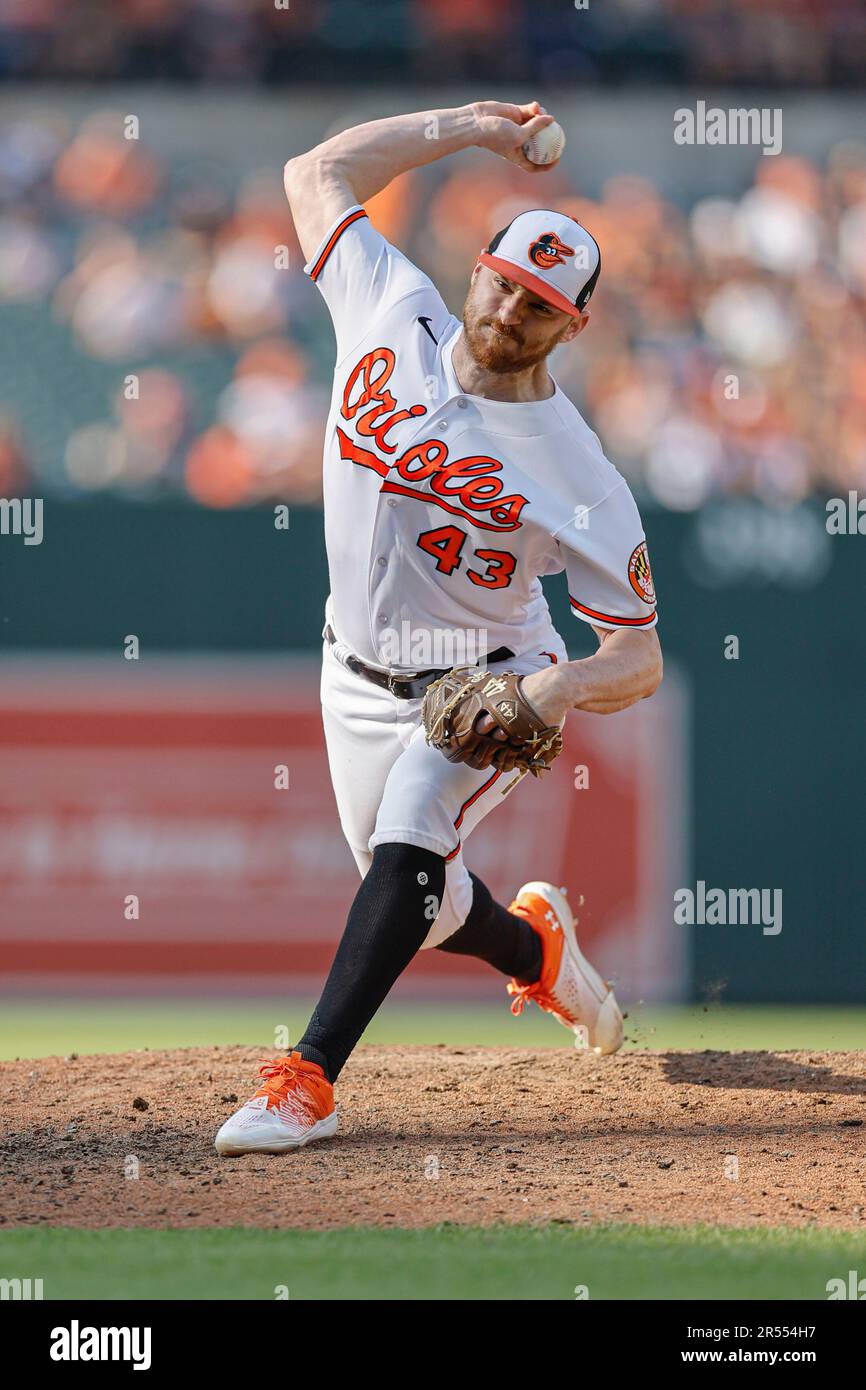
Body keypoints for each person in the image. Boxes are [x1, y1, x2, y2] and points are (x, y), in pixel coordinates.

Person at [215, 101, 662, 1156]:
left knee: (411, 842)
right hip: (350, 671)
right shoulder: (388, 301)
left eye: (541, 304)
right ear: (476, 269)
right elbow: (312, 167)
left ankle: (305, 1079)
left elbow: (637, 654)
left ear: (575, 325)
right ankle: (537, 951)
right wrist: (465, 126)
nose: (511, 311)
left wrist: (552, 693)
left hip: (481, 683)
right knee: (415, 887)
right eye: (503, 283)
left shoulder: (579, 473)